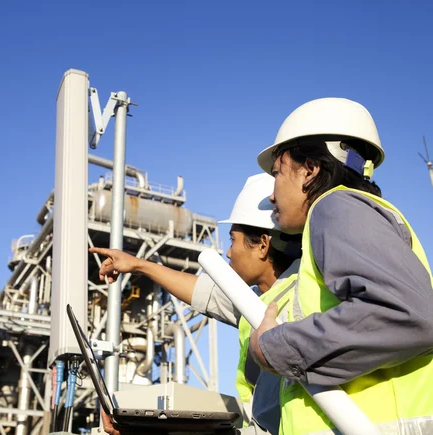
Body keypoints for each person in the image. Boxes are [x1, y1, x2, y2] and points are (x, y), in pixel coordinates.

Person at [248, 97, 433, 435]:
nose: (272, 195)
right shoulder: (361, 213)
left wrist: (273, 347)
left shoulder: (336, 207)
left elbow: (407, 314)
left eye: (277, 174)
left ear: (310, 170)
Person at [91, 173, 301, 435]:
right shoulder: (260, 299)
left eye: (233, 240)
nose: (227, 252)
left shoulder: (296, 300)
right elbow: (205, 292)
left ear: (262, 245)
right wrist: (138, 265)